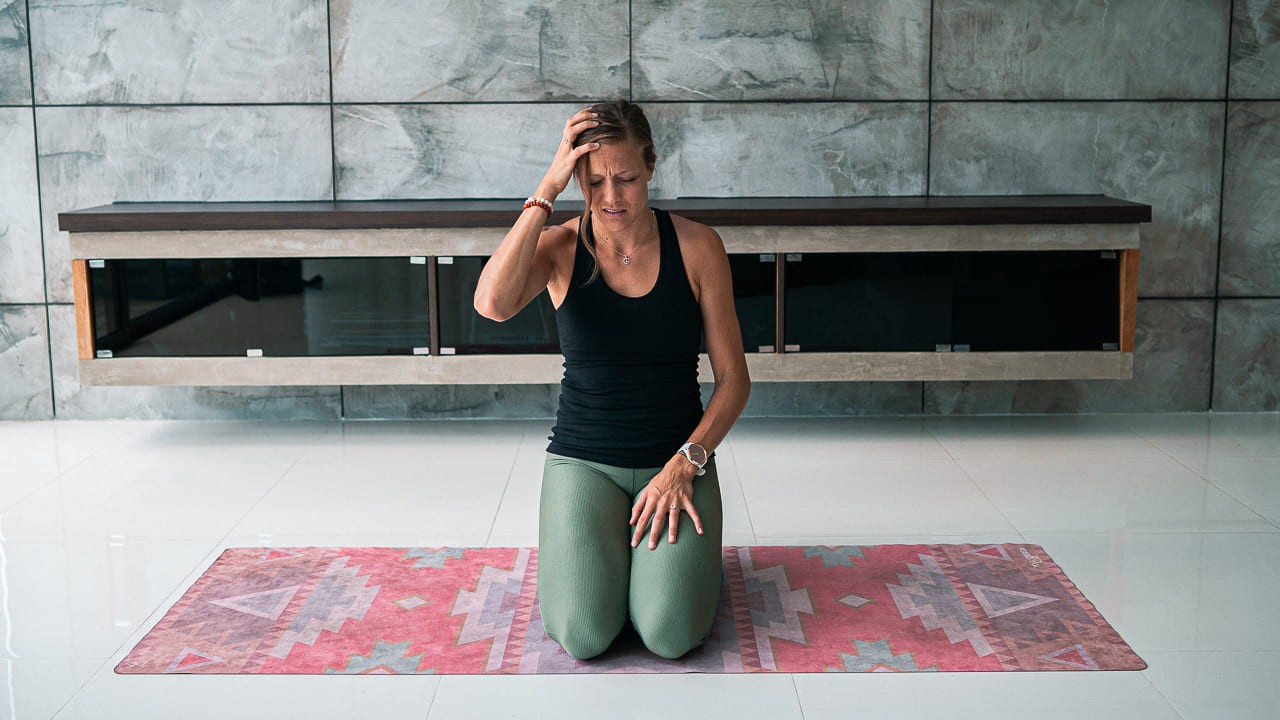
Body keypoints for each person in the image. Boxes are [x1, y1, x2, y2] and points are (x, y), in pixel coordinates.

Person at [473, 99, 750, 660]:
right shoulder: (559, 246)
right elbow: (491, 304)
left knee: (671, 635)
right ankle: (619, 565)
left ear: (651, 166)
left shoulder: (698, 247)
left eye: (625, 178)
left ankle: (657, 572)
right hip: (584, 461)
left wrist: (684, 464)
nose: (610, 197)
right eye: (592, 181)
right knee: (583, 635)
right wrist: (547, 189)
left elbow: (734, 380)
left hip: (675, 459)